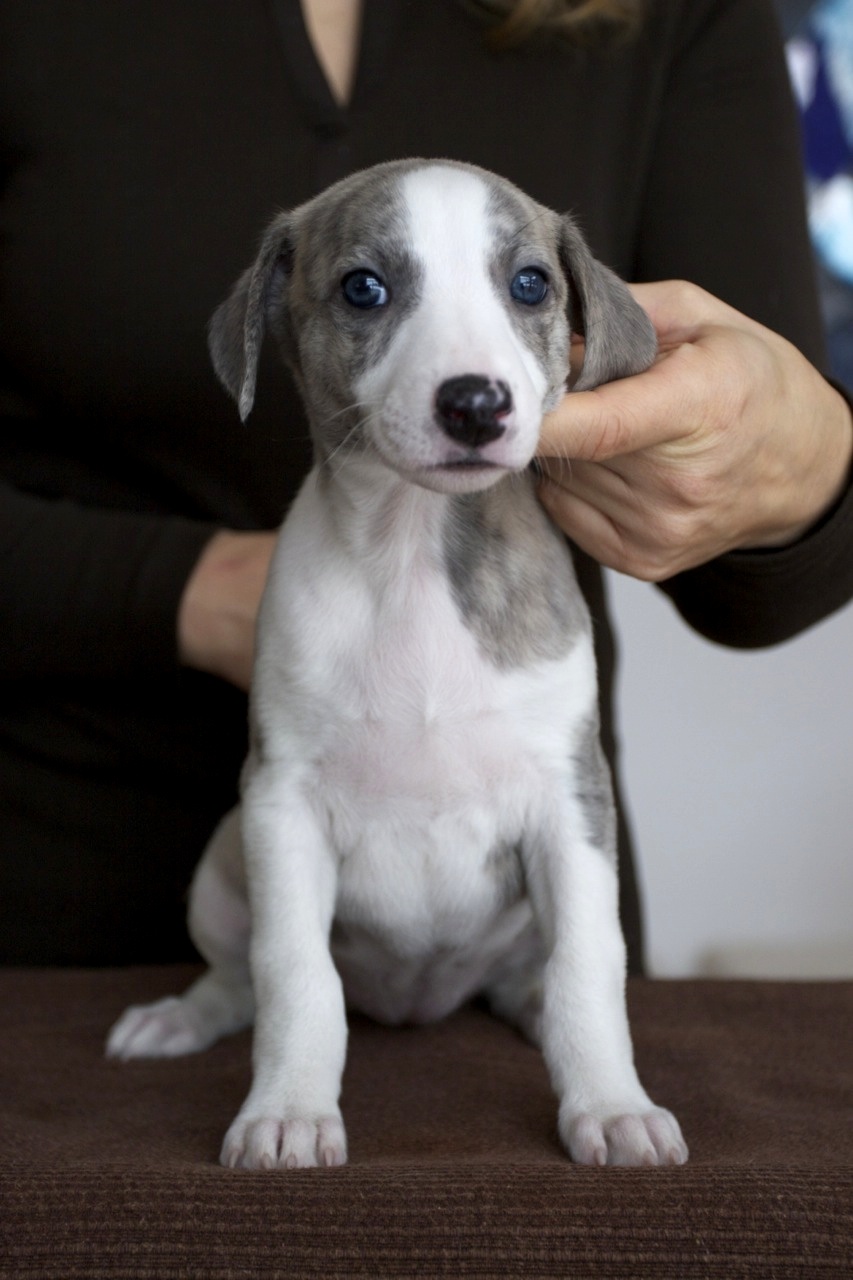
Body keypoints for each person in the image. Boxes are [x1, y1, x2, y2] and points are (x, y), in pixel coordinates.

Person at [2, 0, 852, 971]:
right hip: (60, 921)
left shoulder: (677, 16)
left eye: (526, 287)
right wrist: (195, 588)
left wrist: (808, 461)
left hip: (515, 938)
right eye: (364, 289)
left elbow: (756, 582)